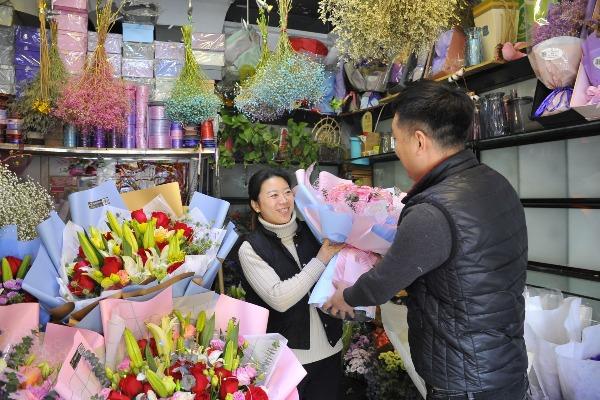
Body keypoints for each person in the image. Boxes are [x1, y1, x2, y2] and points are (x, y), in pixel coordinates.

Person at [324, 80, 529, 399]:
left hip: (464, 380)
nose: (395, 148)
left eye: (396, 138)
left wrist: (346, 295)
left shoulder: (433, 209)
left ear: (419, 140)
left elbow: (381, 285)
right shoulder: (496, 183)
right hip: (504, 366)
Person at [238, 168, 344, 400]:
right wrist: (321, 260)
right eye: (273, 195)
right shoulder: (251, 248)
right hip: (286, 361)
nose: (284, 201)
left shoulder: (314, 232)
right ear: (256, 205)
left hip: (330, 351)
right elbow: (280, 298)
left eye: (287, 192)